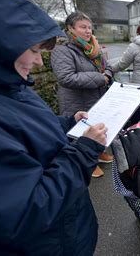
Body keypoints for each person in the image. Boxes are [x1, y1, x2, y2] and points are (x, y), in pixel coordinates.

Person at [0, 0, 108, 254]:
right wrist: (84, 152)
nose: (40, 62)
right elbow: (27, 210)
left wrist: (67, 123)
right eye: (34, 50)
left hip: (65, 237)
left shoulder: (9, 85)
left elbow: (30, 131)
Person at [51, 11, 115, 178]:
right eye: (83, 27)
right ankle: (86, 161)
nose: (88, 31)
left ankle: (98, 153)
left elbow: (106, 66)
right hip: (75, 100)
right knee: (79, 131)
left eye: (90, 27)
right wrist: (101, 78)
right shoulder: (62, 49)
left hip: (96, 96)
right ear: (70, 28)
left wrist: (107, 74)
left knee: (96, 127)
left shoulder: (93, 47)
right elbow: (66, 77)